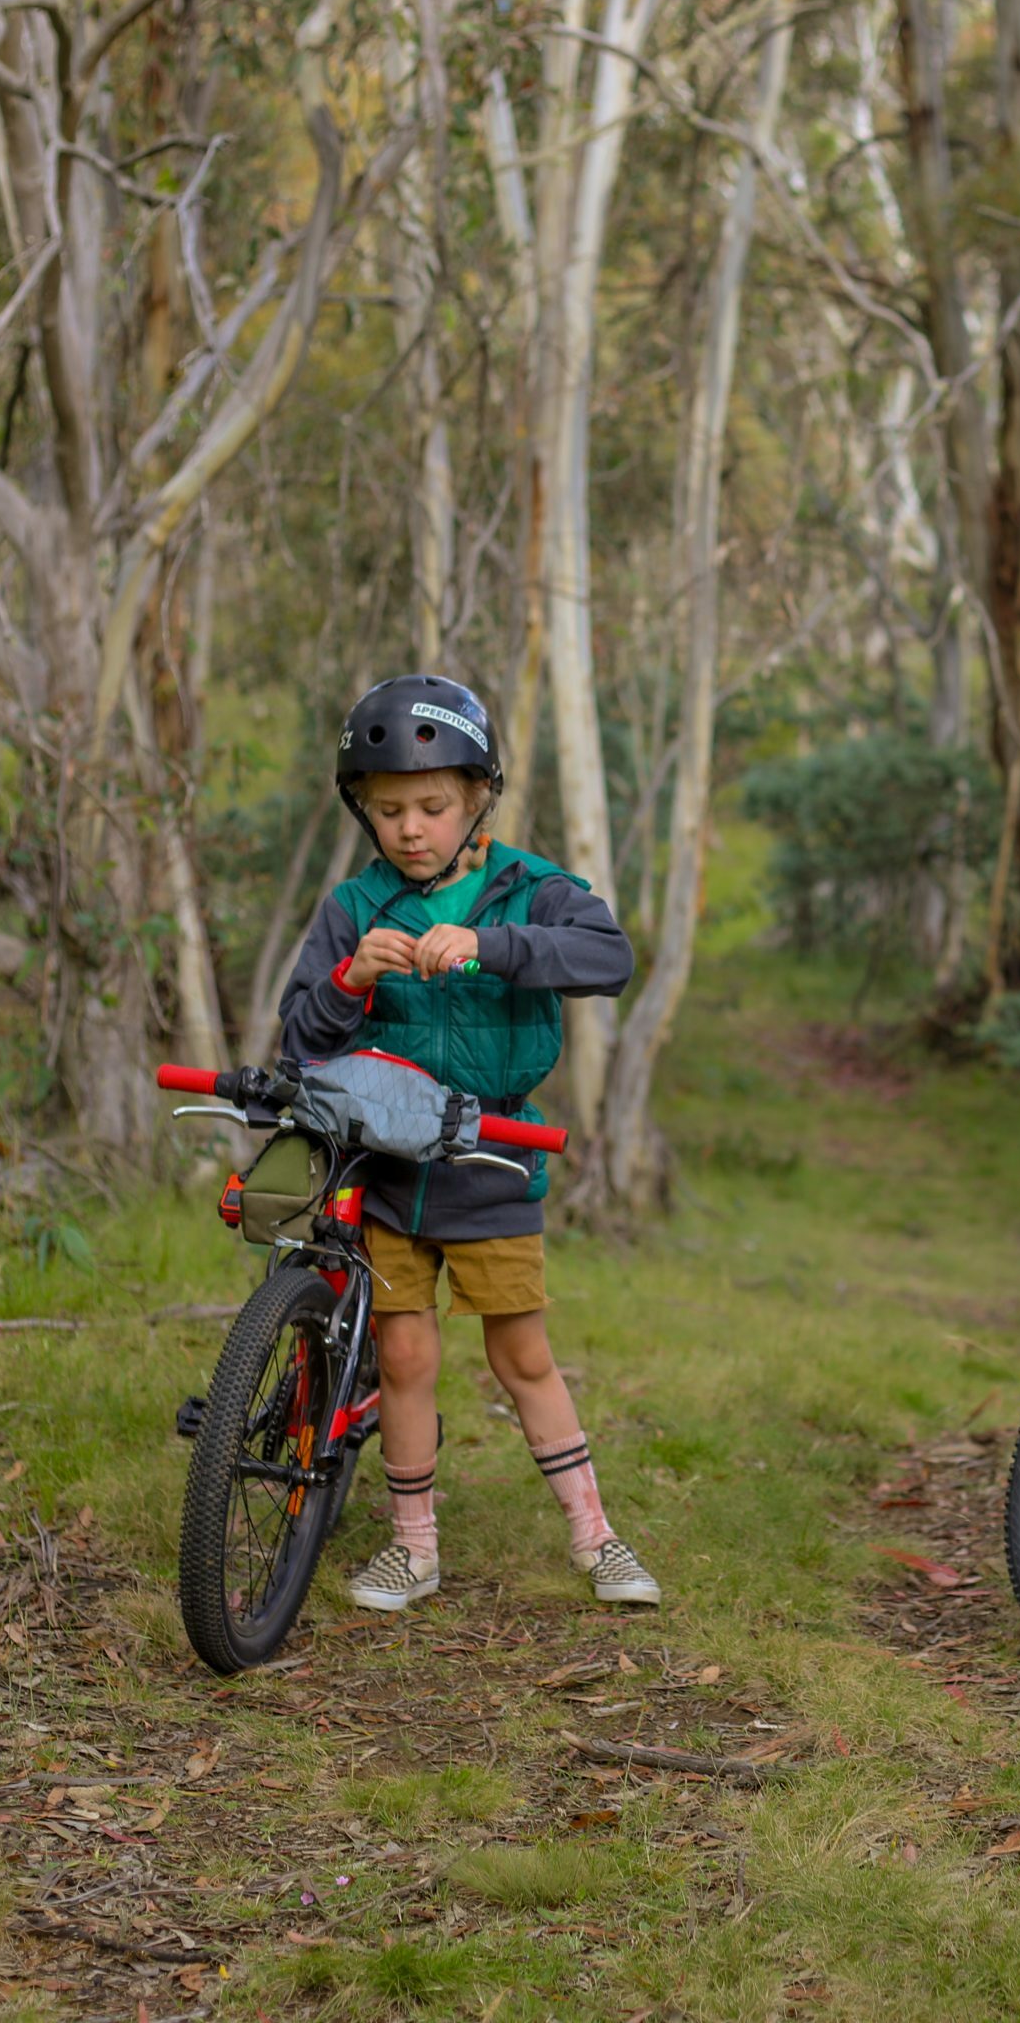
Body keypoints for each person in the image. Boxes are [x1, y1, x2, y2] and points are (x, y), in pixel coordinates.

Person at [277, 674, 657, 1612]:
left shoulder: (530, 889)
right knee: (405, 1357)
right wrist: (350, 977)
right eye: (390, 809)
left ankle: (596, 1538)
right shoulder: (355, 907)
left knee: (521, 1353)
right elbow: (298, 1040)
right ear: (364, 813)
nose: (412, 828)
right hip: (386, 1172)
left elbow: (609, 958)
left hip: (491, 1161)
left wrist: (497, 948)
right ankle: (414, 1548)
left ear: (479, 796)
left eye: (434, 806)